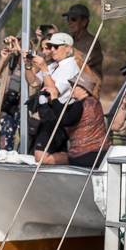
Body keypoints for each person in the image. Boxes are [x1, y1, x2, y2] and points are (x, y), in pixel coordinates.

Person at [28, 33, 80, 162]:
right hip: (47, 114)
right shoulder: (53, 65)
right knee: (55, 153)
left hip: (57, 114)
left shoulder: (69, 65)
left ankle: (79, 158)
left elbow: (54, 91)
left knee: (40, 157)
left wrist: (44, 67)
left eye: (56, 47)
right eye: (50, 46)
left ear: (67, 48)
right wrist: (28, 66)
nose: (51, 50)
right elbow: (34, 82)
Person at [61, 72, 111, 169]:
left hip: (83, 156)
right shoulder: (95, 102)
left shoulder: (80, 105)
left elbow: (65, 120)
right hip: (103, 152)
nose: (70, 88)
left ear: (84, 89)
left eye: (73, 86)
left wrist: (54, 99)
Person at [0, 35, 23, 151]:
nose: (18, 45)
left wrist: (22, 54)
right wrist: (3, 60)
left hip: (24, 108)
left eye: (21, 42)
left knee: (28, 143)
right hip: (7, 105)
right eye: (17, 42)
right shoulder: (11, 58)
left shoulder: (34, 58)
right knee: (3, 145)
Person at [62, 4, 103, 83]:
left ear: (84, 22)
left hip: (90, 87)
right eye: (67, 19)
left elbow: (83, 60)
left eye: (73, 19)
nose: (69, 22)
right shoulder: (72, 40)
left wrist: (63, 43)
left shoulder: (92, 42)